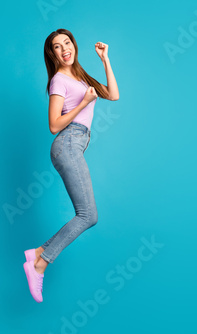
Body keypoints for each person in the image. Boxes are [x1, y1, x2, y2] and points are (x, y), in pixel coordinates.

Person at [23, 28, 119, 303]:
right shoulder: (59, 81)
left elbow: (113, 95)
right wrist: (84, 103)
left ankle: (39, 253)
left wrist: (105, 60)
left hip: (75, 144)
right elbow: (54, 124)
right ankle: (40, 262)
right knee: (88, 215)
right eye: (57, 46)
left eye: (67, 42)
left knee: (88, 215)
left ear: (74, 46)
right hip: (67, 143)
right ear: (52, 54)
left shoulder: (80, 77)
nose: (64, 48)